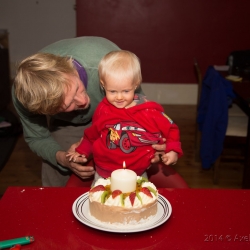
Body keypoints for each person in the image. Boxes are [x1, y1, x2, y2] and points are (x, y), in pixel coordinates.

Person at [12, 37, 166, 187]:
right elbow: (37, 138)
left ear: (70, 69)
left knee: (123, 158)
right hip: (66, 123)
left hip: (116, 112)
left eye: (77, 88)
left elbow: (139, 107)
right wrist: (61, 158)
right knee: (56, 170)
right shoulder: (26, 96)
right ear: (45, 111)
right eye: (68, 104)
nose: (83, 101)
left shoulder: (106, 63)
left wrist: (155, 138)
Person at [67, 50, 183, 182]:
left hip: (138, 173)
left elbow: (171, 128)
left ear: (136, 83)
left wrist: (172, 150)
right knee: (101, 200)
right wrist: (81, 151)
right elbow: (92, 135)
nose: (119, 97)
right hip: (103, 173)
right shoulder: (102, 109)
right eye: (112, 91)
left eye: (126, 91)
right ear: (103, 84)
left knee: (137, 201)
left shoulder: (149, 110)